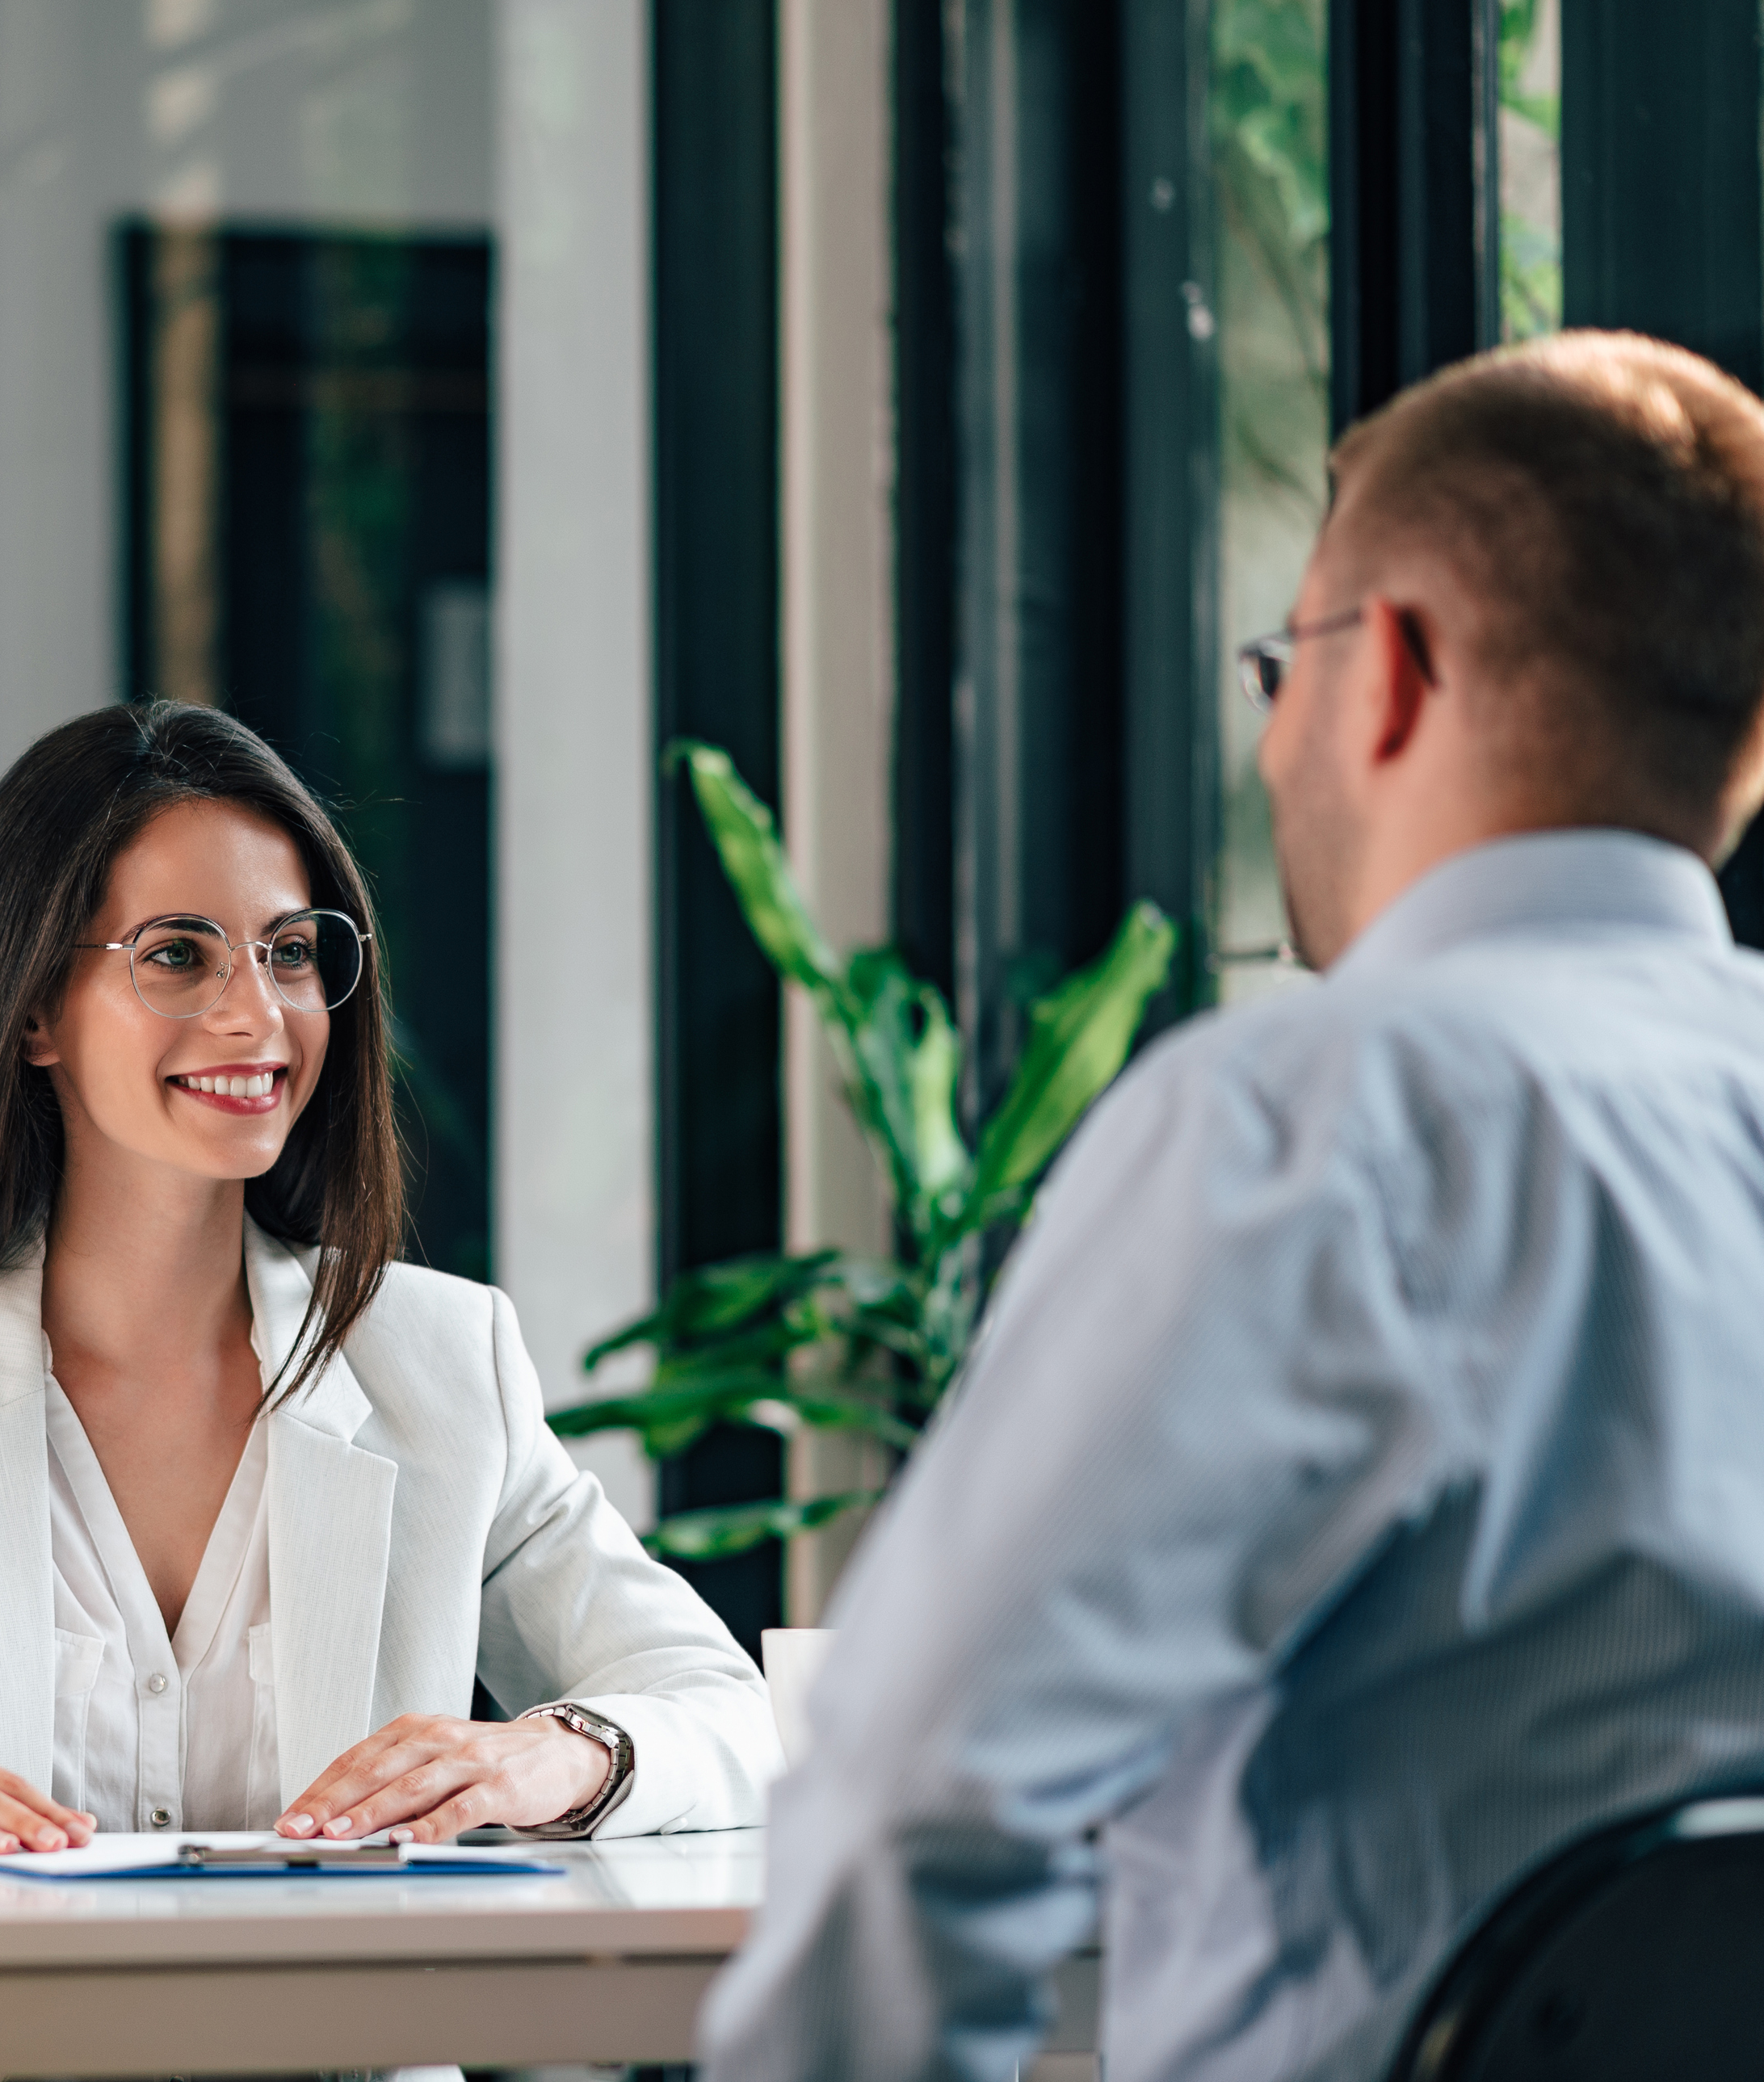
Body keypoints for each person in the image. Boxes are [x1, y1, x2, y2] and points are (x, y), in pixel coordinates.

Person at [696, 330, 1764, 2080]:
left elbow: (913, 1806)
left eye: (1282, 668)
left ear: (1390, 674)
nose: (1272, 745)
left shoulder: (1307, 1122)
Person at [0, 703, 781, 1859]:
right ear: (34, 1009)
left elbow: (726, 1713)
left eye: (290, 952)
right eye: (178, 956)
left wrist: (554, 1754)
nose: (257, 1012)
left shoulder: (444, 1359)